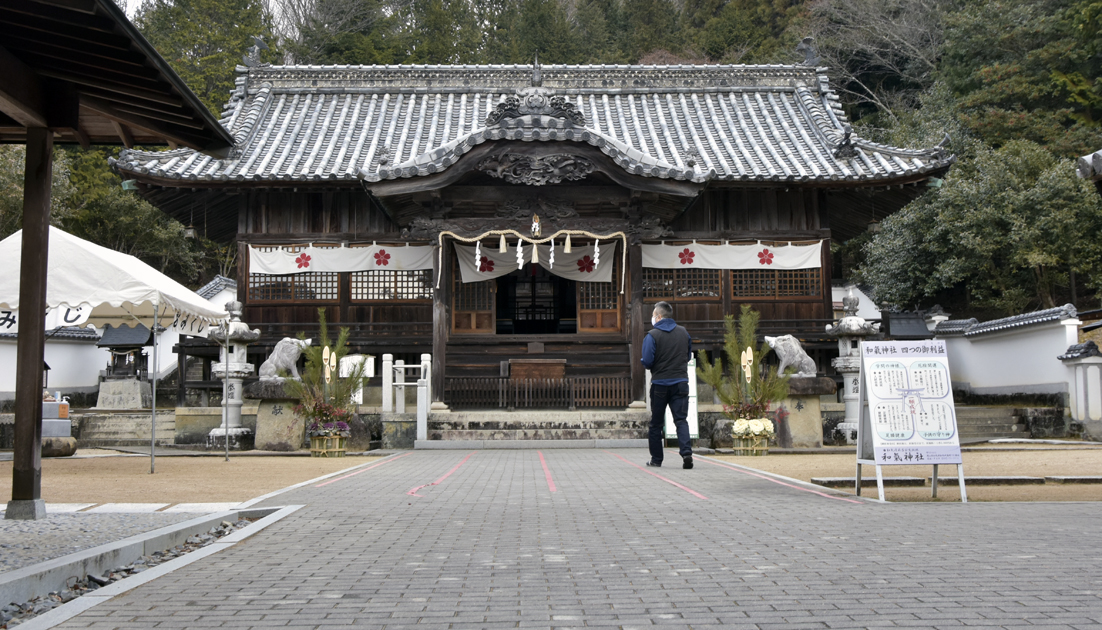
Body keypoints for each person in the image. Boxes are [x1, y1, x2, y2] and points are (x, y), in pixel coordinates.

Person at [641, 301, 693, 469]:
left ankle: (656, 459)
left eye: (654, 315)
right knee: (681, 420)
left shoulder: (652, 335)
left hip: (660, 384)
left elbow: (648, 361)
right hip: (680, 382)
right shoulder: (683, 332)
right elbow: (688, 355)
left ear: (659, 316)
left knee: (656, 423)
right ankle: (686, 453)